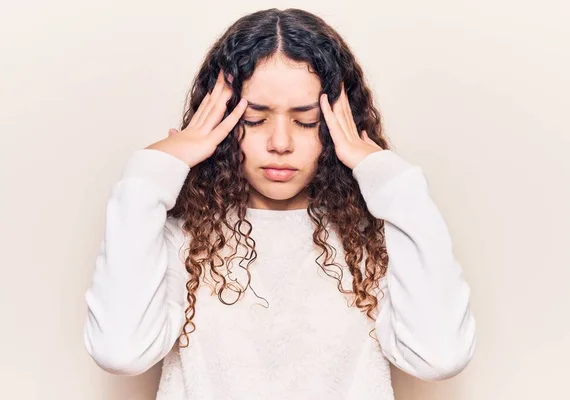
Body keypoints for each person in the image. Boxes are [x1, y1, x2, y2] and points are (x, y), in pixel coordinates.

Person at [83, 7, 476, 400]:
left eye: (306, 121)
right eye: (254, 119)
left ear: (338, 123)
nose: (280, 143)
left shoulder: (374, 242)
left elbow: (438, 356)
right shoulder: (178, 240)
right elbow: (121, 352)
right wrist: (150, 173)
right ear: (219, 120)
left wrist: (394, 182)